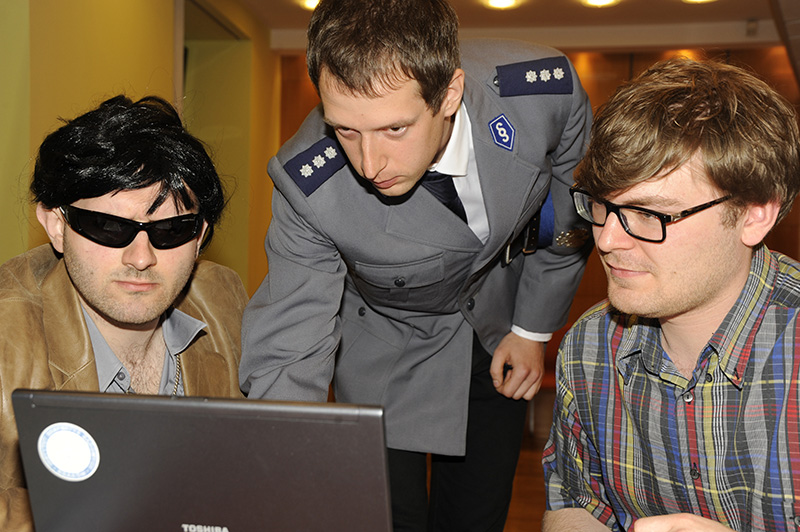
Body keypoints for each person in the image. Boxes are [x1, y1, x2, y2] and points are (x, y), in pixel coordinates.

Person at [239, 0, 592, 529]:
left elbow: (571, 207)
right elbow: (291, 338)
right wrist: (285, 467)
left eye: (394, 129)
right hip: (384, 340)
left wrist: (531, 327)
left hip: (496, 325)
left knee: (476, 517)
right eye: (345, 131)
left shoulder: (543, 92)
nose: (369, 164)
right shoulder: (308, 186)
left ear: (449, 94)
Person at [542, 57, 800, 532]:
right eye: (601, 205)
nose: (607, 240)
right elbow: (576, 503)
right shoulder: (587, 347)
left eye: (650, 214)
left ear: (755, 214)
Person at [0, 95, 248, 531]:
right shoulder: (7, 336)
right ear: (56, 225)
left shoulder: (226, 300)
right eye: (109, 227)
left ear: (199, 236)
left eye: (171, 230)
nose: (141, 258)